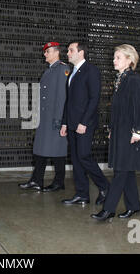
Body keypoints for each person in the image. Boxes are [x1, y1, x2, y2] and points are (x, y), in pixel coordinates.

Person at [91, 44, 140, 221]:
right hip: (120, 132)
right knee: (126, 170)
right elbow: (118, 110)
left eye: (118, 57)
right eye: (114, 57)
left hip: (130, 133)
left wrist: (138, 131)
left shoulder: (134, 80)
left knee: (120, 172)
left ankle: (108, 210)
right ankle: (134, 205)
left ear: (129, 60)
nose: (113, 60)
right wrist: (111, 129)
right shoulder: (121, 80)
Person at [60, 41, 110, 205]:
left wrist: (84, 122)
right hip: (72, 123)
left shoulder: (91, 70)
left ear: (81, 52)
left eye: (71, 50)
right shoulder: (72, 72)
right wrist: (65, 123)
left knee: (84, 156)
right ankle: (82, 194)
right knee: (75, 158)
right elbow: (69, 101)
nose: (67, 53)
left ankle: (105, 187)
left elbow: (94, 98)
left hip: (84, 124)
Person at [19, 42, 69, 192]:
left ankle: (59, 182)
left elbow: (62, 96)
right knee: (40, 149)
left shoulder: (63, 69)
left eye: (47, 52)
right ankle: (36, 180)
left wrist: (60, 120)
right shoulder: (49, 71)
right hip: (45, 118)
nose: (45, 55)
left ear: (55, 52)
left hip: (54, 117)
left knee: (58, 151)